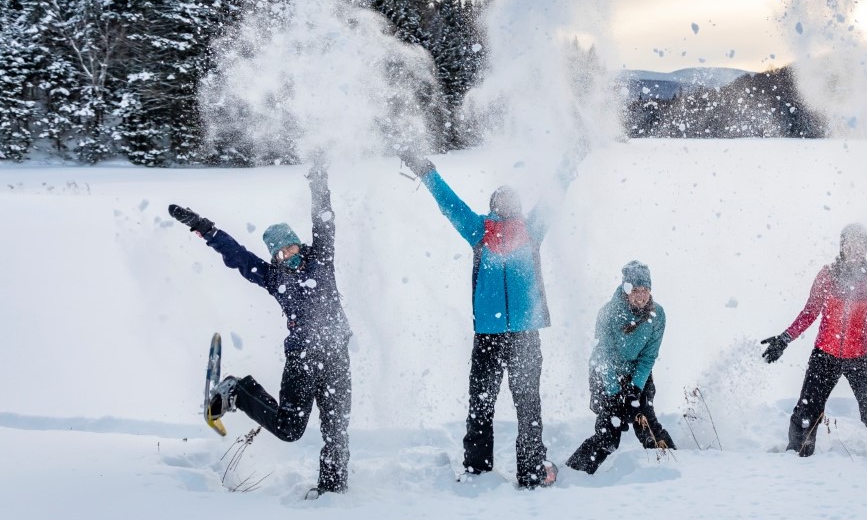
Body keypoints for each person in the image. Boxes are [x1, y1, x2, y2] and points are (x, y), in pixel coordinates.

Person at [168, 159, 353, 496]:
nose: (288, 255)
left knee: (337, 428)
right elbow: (237, 255)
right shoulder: (272, 277)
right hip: (302, 360)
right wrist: (205, 228)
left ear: (299, 243)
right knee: (289, 428)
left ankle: (333, 488)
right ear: (275, 258)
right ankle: (238, 391)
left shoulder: (322, 258)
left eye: (291, 247)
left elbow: (324, 220)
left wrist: (319, 181)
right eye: (280, 253)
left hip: (337, 355)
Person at [399, 150, 576, 489]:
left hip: (502, 334)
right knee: (521, 406)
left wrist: (427, 171)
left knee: (493, 404)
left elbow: (449, 202)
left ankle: (485, 468)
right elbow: (556, 190)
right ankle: (527, 470)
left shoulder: (489, 229)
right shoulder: (502, 230)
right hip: (512, 334)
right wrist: (571, 159)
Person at [760, 223, 867, 460]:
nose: (854, 249)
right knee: (807, 409)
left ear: (866, 248)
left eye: (860, 244)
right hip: (824, 355)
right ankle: (796, 457)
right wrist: (785, 339)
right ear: (842, 246)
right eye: (849, 243)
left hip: (861, 358)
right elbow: (809, 312)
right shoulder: (827, 275)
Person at [566, 261, 676, 474]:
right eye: (635, 290)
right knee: (609, 432)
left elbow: (648, 357)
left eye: (645, 290)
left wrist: (635, 389)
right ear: (626, 289)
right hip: (605, 374)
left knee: (646, 422)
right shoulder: (608, 313)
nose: (641, 296)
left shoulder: (658, 315)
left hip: (637, 374)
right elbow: (603, 356)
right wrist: (616, 394)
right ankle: (574, 473)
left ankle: (674, 467)